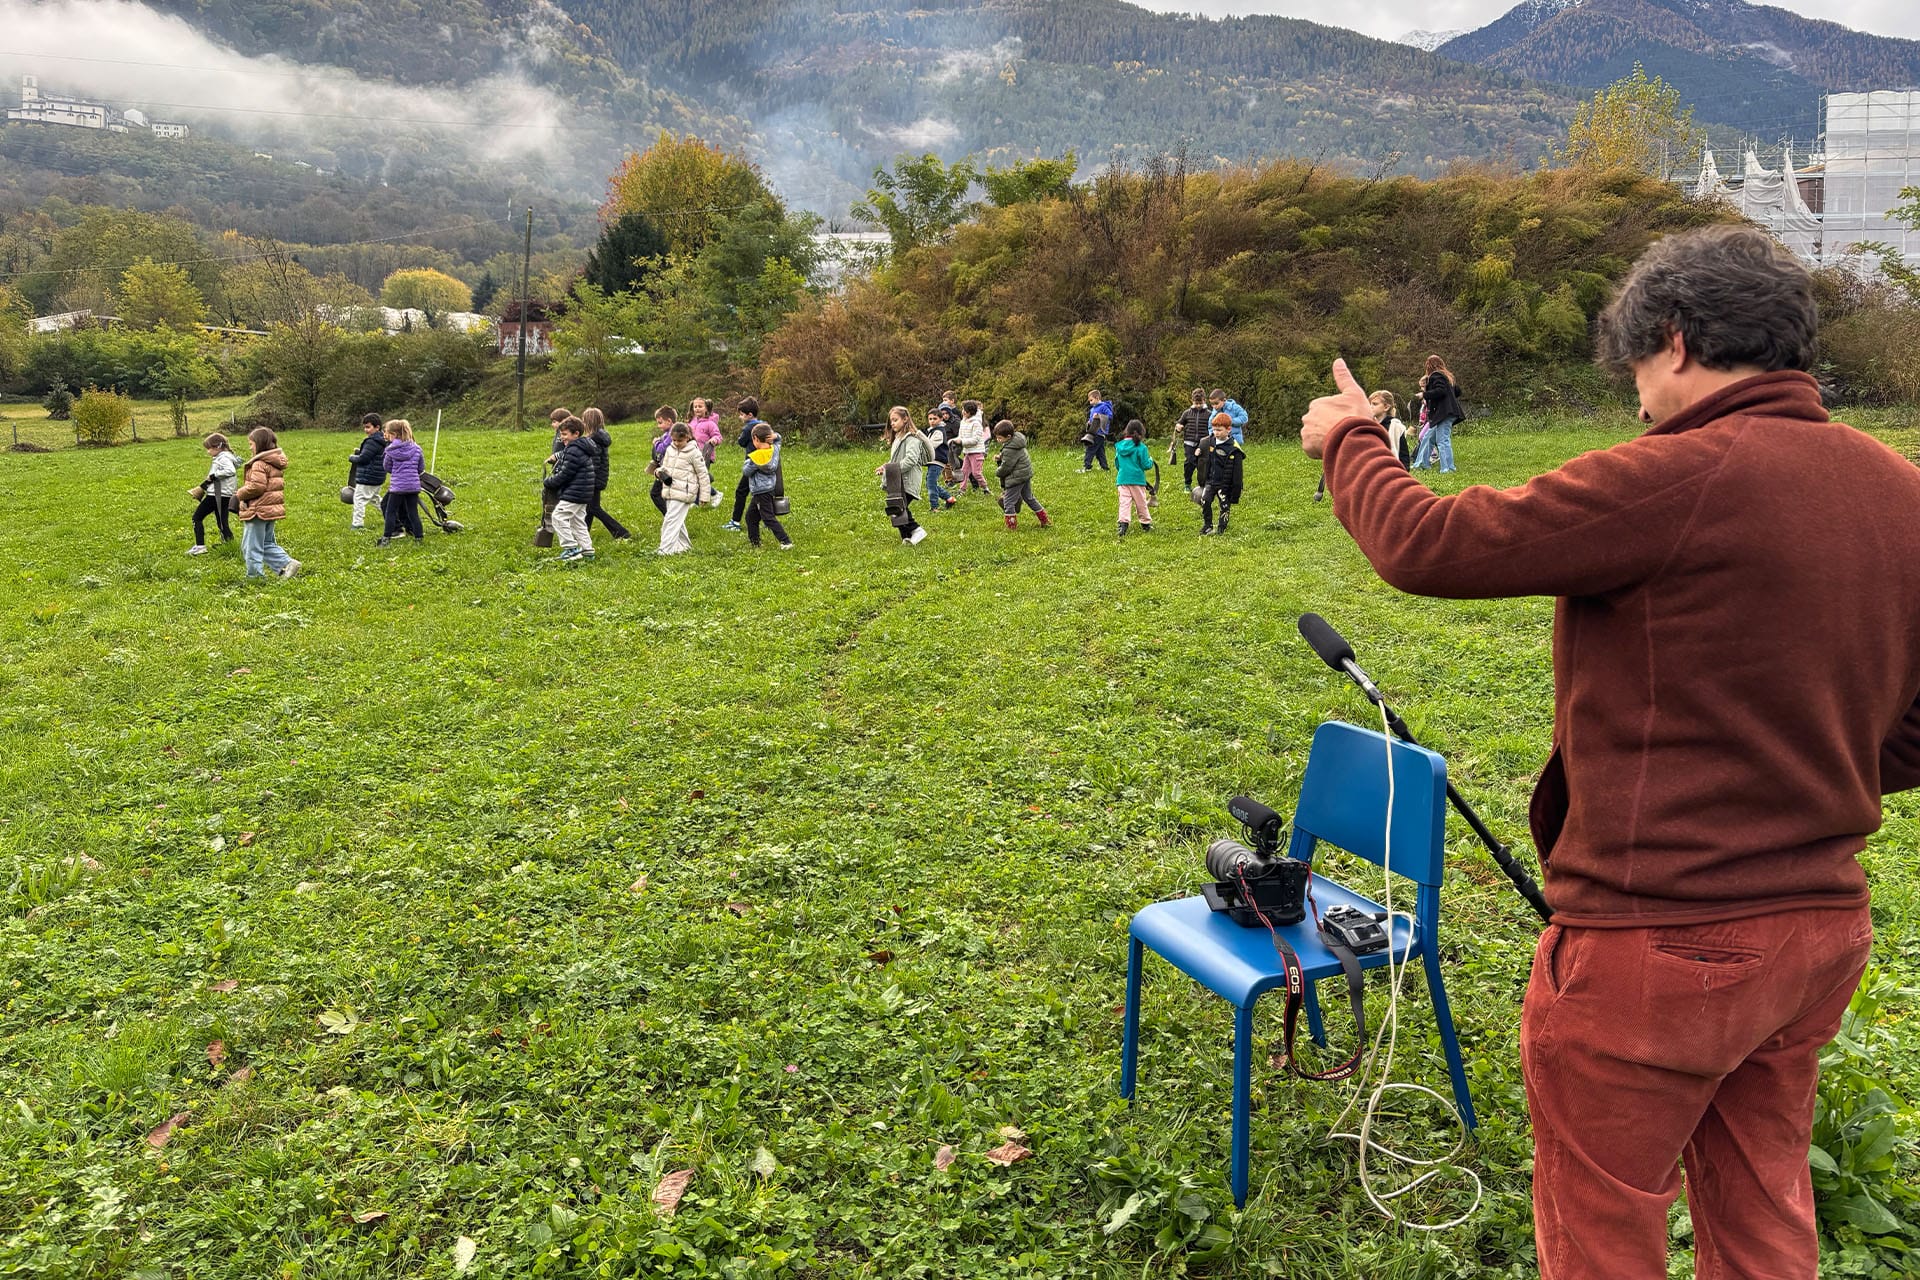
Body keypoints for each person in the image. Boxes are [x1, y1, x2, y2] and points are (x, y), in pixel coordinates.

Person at [1298, 223, 1920, 1280]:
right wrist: (1821, 747)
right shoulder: (1899, 490)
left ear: (1673, 339)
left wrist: (1354, 440)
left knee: (1601, 1228)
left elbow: (1427, 543)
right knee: (1765, 1199)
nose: (1637, 399)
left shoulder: (1677, 474)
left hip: (1661, 940)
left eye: (1637, 367)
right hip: (1817, 934)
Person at [234, 427, 298, 580]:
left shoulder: (259, 463)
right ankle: (286, 565)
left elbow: (257, 487)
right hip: (270, 509)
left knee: (250, 547)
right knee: (265, 543)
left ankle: (255, 577)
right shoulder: (274, 461)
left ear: (260, 444)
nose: (250, 447)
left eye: (251, 443)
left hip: (258, 510)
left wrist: (240, 494)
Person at [543, 416, 599, 562]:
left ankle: (571, 548)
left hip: (575, 492)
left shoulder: (574, 450)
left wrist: (549, 482)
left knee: (558, 517)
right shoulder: (578, 447)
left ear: (576, 434)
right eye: (561, 434)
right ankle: (587, 551)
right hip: (583, 492)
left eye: (565, 434)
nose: (562, 438)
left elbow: (565, 474)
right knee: (577, 522)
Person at [654, 422, 711, 556]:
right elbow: (665, 466)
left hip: (685, 492)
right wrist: (658, 472)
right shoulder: (670, 449)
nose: (677, 443)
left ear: (688, 437)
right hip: (670, 489)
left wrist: (704, 496)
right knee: (676, 519)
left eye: (680, 440)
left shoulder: (694, 453)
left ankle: (665, 549)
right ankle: (684, 546)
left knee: (670, 520)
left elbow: (703, 475)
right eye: (674, 440)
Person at [877, 406, 931, 545]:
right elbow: (896, 460)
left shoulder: (912, 438)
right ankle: (906, 538)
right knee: (896, 508)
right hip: (898, 481)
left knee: (897, 507)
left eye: (895, 420)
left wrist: (892, 470)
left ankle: (917, 530)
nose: (893, 423)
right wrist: (885, 467)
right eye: (891, 421)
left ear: (905, 419)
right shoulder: (898, 438)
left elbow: (910, 460)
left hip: (908, 481)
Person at [580, 407, 631, 540]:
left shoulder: (593, 440)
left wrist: (586, 477)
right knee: (589, 508)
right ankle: (584, 534)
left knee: (594, 508)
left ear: (588, 422)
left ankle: (621, 532)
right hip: (598, 478)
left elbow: (594, 464)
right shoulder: (599, 437)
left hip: (593, 479)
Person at [741, 422, 793, 550]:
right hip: (770, 488)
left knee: (768, 518)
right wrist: (775, 436)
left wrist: (748, 462)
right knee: (750, 517)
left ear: (755, 439)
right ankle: (755, 544)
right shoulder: (773, 449)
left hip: (760, 492)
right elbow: (779, 440)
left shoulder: (756, 458)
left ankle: (786, 541)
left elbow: (746, 471)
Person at [186, 432, 238, 555]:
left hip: (216, 494)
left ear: (218, 446)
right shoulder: (226, 456)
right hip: (224, 494)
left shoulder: (223, 458)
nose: (208, 451)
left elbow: (230, 471)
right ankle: (229, 543)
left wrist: (213, 476)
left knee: (196, 517)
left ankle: (200, 546)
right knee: (221, 520)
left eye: (209, 448)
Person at [993, 420, 1049, 530]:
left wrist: (998, 472)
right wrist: (1001, 457)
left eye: (1000, 438)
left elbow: (1006, 467)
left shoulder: (1010, 449)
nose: (997, 440)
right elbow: (1013, 457)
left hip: (1016, 478)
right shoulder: (1016, 441)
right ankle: (1045, 520)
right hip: (1025, 474)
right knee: (1029, 498)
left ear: (1008, 436)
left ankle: (1011, 527)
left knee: (1008, 501)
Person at [1410, 355, 1462, 472]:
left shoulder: (1436, 375)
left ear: (1429, 366)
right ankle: (1421, 463)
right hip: (1443, 413)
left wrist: (1424, 394)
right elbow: (1458, 391)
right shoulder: (1447, 377)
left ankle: (1448, 468)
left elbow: (1441, 391)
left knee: (1442, 440)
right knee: (1427, 437)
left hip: (1444, 413)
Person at [378, 419, 424, 546]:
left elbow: (386, 467)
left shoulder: (391, 450)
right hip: (413, 486)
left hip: (398, 487)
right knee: (413, 512)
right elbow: (420, 468)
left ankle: (386, 538)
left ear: (393, 434)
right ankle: (419, 538)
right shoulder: (417, 448)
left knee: (391, 511)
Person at [1197, 412, 1245, 535]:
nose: (1216, 433)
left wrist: (1236, 491)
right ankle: (1207, 525)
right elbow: (1203, 454)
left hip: (1224, 485)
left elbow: (1238, 473)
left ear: (1228, 429)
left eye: (1219, 430)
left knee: (1224, 506)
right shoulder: (1210, 442)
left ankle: (1221, 528)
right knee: (1205, 501)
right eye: (1214, 430)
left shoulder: (1234, 449)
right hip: (1210, 481)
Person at [724, 397, 768, 531]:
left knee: (741, 492)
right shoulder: (764, 426)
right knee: (761, 492)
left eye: (742, 414)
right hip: (764, 463)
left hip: (752, 465)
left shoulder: (749, 427)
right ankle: (767, 520)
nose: (740, 417)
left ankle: (735, 522)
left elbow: (741, 442)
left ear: (749, 415)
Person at [346, 412, 387, 531]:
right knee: (374, 499)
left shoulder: (372, 442)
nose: (365, 430)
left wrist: (352, 457)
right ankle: (394, 516)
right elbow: (371, 455)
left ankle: (357, 524)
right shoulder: (381, 440)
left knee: (359, 499)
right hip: (377, 476)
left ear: (377, 427)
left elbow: (364, 459)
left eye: (368, 427)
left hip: (368, 476)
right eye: (364, 427)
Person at [1114, 419, 1155, 536]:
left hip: (1122, 479)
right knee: (1141, 502)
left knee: (1124, 503)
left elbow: (1117, 463)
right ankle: (1145, 523)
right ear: (1141, 432)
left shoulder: (1120, 446)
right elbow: (1145, 465)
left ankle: (1123, 524)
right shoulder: (1141, 447)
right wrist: (1151, 461)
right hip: (1137, 480)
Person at [1176, 388, 1212, 489]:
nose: (1198, 405)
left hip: (1204, 443)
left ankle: (1204, 484)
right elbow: (1180, 423)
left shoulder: (1209, 414)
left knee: (1204, 464)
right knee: (1189, 463)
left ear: (1204, 400)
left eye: (1200, 403)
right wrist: (1178, 427)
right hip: (1189, 442)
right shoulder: (1187, 413)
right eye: (1196, 403)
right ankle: (1187, 484)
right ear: (1192, 401)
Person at [956, 399, 991, 496]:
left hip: (977, 452)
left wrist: (962, 442)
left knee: (976, 473)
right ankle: (962, 490)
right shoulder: (963, 422)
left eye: (964, 410)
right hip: (967, 451)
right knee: (964, 472)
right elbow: (960, 435)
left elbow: (975, 440)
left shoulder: (976, 423)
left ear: (969, 412)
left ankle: (985, 488)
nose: (962, 411)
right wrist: (956, 441)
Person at [923, 408, 956, 511]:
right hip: (933, 461)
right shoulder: (932, 431)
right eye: (930, 419)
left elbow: (931, 446)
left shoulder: (939, 432)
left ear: (941, 419)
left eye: (935, 418)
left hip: (937, 461)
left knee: (931, 484)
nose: (932, 421)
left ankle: (934, 507)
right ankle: (949, 498)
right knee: (930, 483)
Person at [1081, 388, 1113, 472]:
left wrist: (1099, 416)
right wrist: (1089, 422)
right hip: (1094, 431)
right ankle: (1105, 467)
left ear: (1097, 398)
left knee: (1090, 449)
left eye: (1091, 400)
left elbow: (1110, 416)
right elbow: (1093, 419)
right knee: (1100, 452)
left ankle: (1087, 466)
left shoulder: (1104, 407)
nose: (1090, 402)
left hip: (1099, 432)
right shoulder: (1092, 409)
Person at [688, 397, 724, 464]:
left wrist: (714, 440)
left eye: (700, 406)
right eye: (695, 407)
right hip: (691, 453)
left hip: (705, 454)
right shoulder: (691, 423)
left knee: (703, 472)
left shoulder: (710, 423)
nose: (697, 408)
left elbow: (718, 436)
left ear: (706, 409)